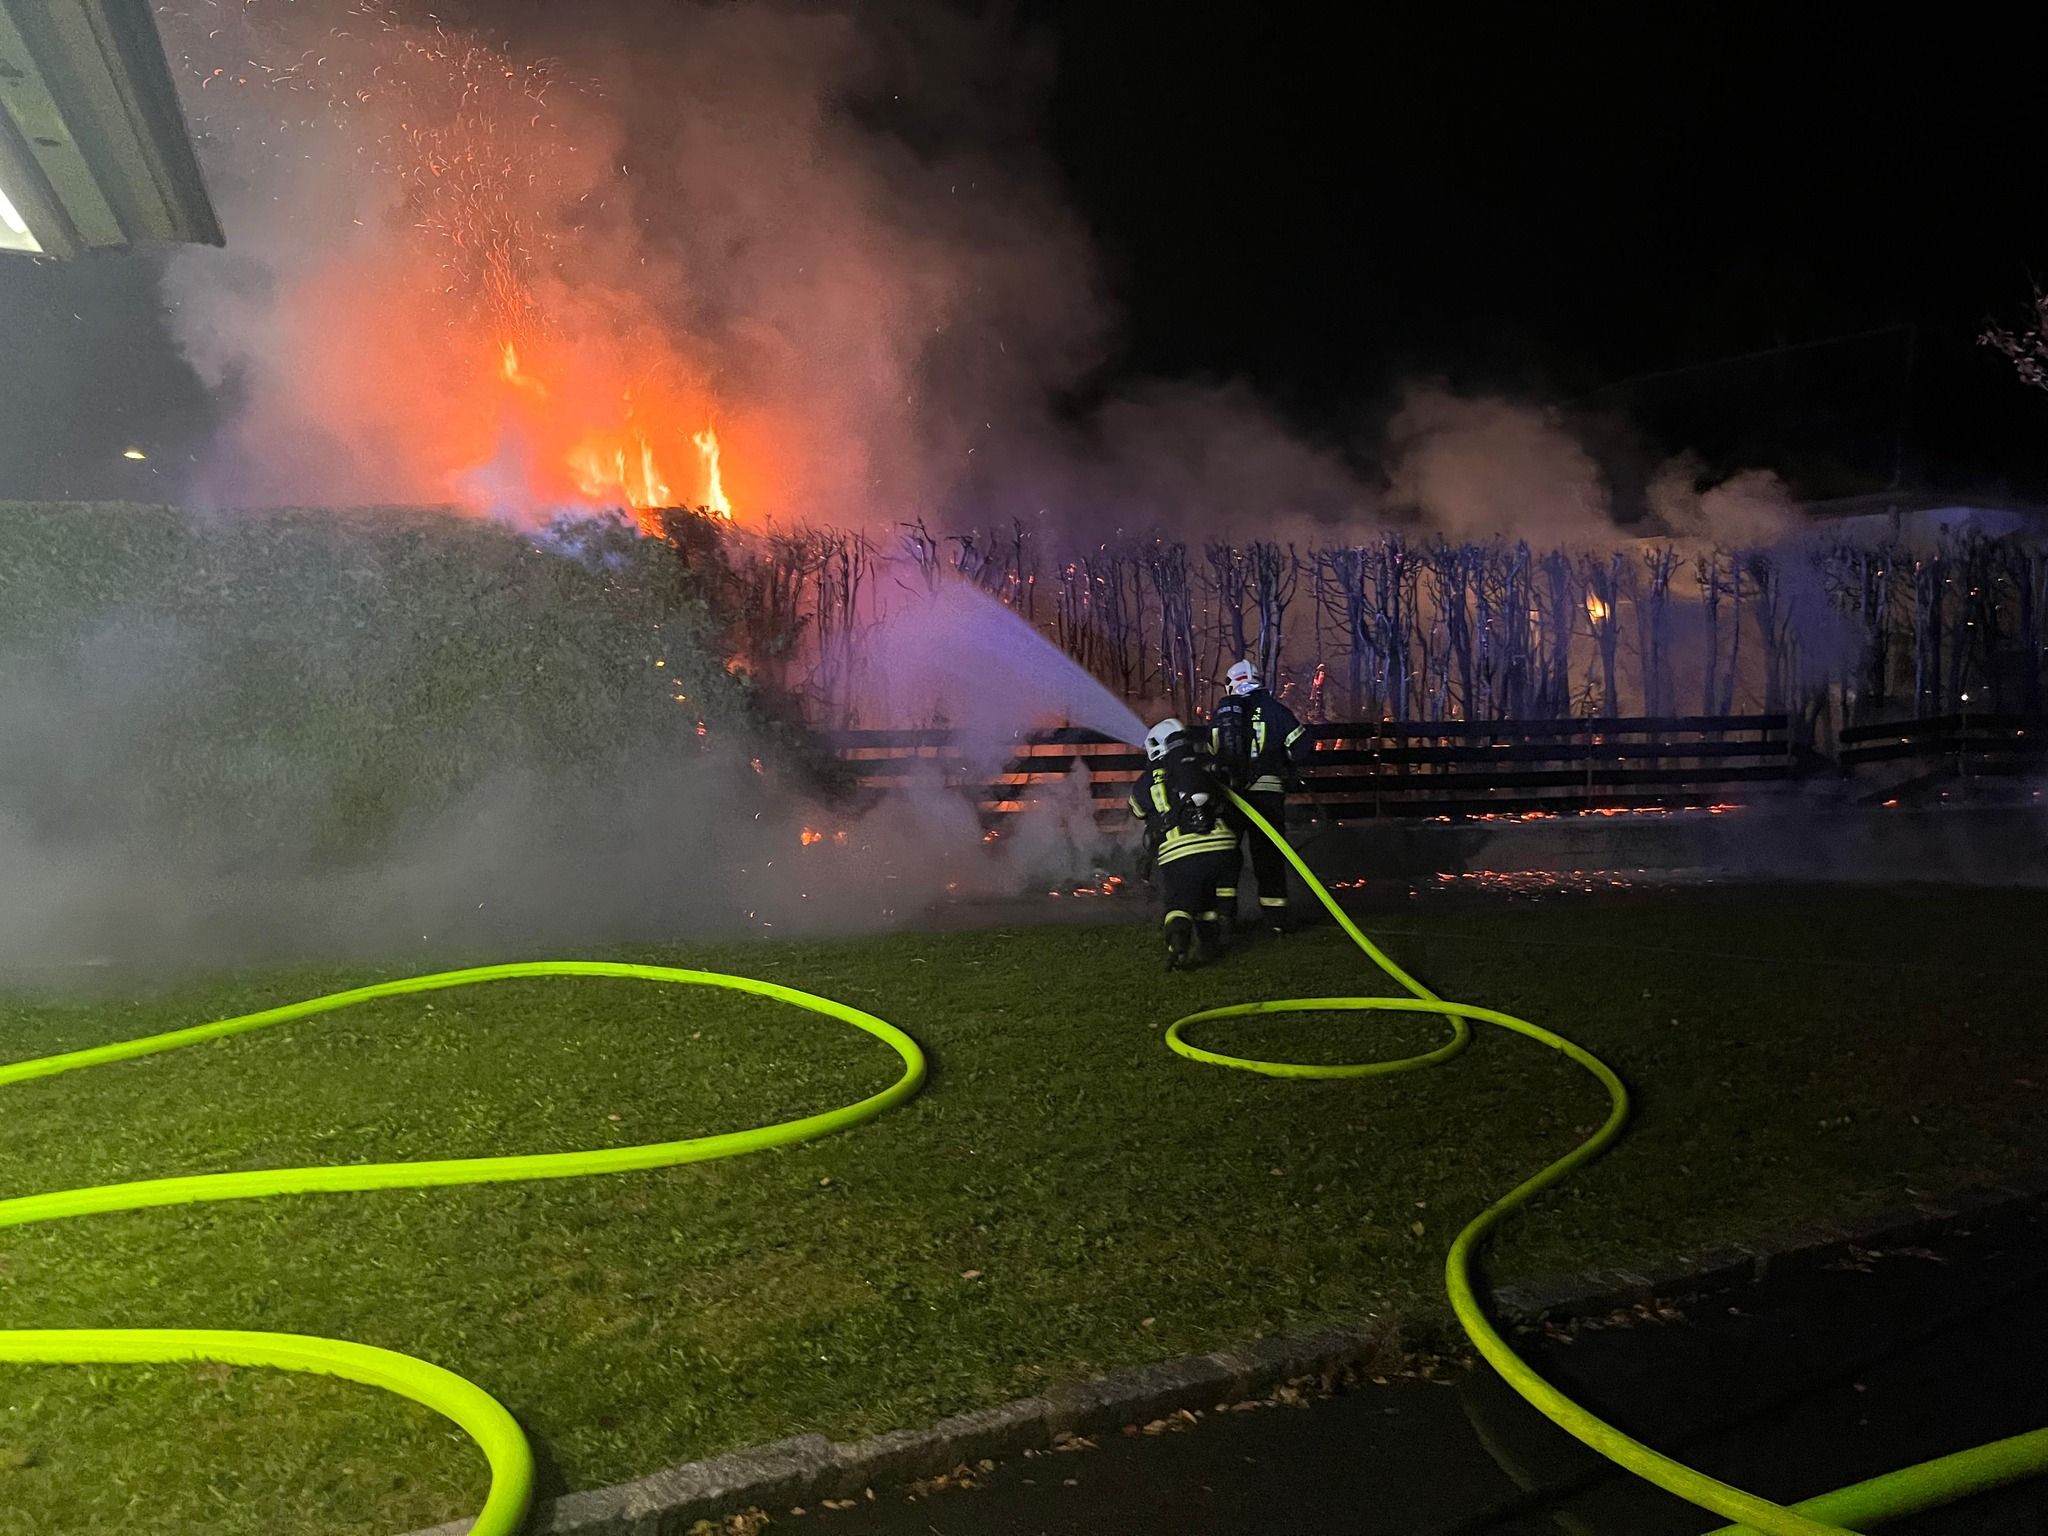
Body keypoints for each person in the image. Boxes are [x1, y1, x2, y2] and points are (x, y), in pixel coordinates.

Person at [1208, 658, 1314, 934]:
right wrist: (1282, 759)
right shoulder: (1275, 710)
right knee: (1267, 856)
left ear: (1231, 684)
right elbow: (1302, 747)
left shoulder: (1223, 714)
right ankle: (1275, 919)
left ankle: (1224, 918)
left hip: (1231, 795)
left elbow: (1212, 750)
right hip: (1267, 794)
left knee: (1227, 854)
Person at [1129, 716, 1239, 971]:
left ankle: (1178, 946)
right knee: (1207, 902)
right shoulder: (1198, 767)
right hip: (1221, 844)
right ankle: (1212, 940)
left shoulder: (1144, 781)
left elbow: (1136, 810)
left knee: (1178, 904)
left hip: (1179, 852)